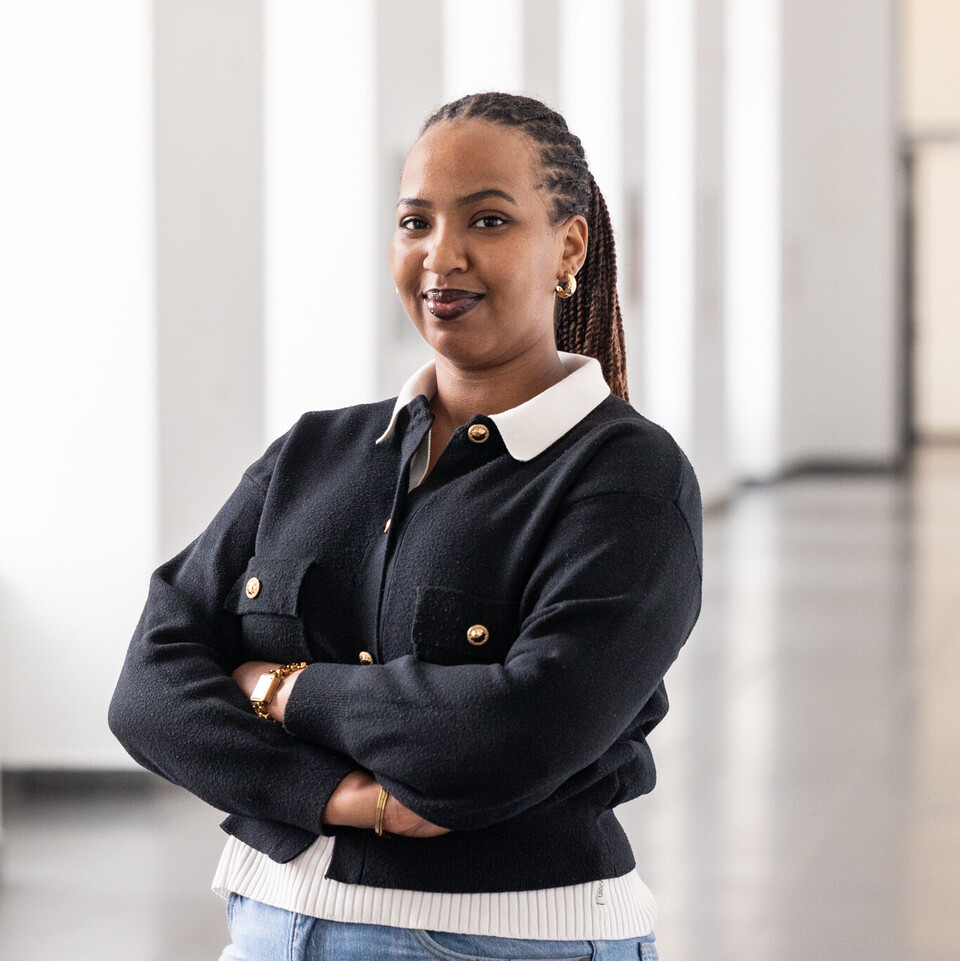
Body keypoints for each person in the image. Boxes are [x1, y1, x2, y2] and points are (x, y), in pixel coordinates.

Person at [109, 91, 702, 961]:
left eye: (489, 220)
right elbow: (148, 690)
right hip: (266, 922)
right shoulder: (313, 453)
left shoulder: (628, 479)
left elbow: (511, 735)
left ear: (567, 246)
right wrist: (344, 797)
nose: (441, 256)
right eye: (414, 220)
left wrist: (278, 688)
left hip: (498, 941)